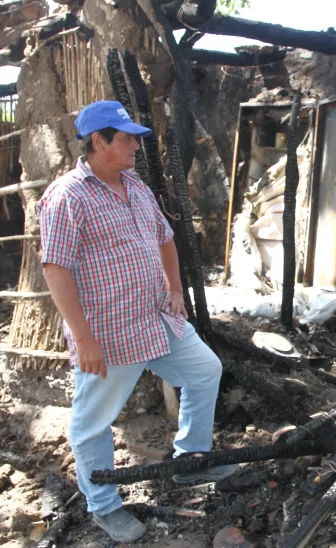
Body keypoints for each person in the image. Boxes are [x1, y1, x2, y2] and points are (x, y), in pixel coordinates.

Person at [38, 100, 237, 543]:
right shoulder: (67, 195)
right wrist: (83, 337)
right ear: (98, 142)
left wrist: (173, 288)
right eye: (126, 138)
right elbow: (56, 268)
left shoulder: (137, 186)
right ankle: (104, 506)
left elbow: (165, 240)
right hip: (109, 332)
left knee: (205, 370)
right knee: (93, 421)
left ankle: (190, 461)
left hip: (156, 317)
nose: (135, 145)